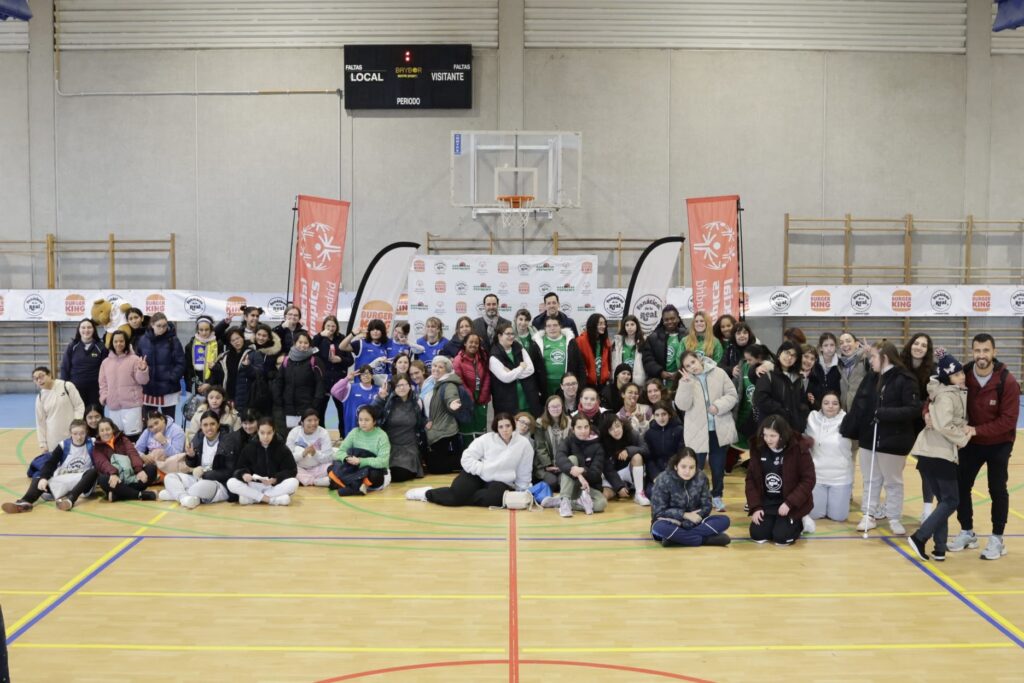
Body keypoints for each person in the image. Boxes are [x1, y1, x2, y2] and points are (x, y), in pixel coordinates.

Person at [948, 334, 1020, 560]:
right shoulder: (963, 375)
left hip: (999, 443)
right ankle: (967, 532)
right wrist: (927, 413)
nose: (981, 355)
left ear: (994, 352)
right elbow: (938, 393)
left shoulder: (1007, 381)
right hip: (971, 442)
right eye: (977, 350)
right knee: (961, 486)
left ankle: (997, 538)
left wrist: (977, 430)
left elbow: (1008, 421)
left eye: (986, 350)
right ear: (972, 352)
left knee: (997, 489)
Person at [845, 341, 922, 536]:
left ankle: (894, 517)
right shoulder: (872, 377)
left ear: (885, 357)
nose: (870, 361)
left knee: (893, 482)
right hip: (869, 438)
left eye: (873, 357)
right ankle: (868, 514)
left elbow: (913, 409)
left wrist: (885, 413)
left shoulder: (905, 379)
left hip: (893, 441)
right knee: (870, 479)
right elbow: (860, 404)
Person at [907, 355, 971, 562]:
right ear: (946, 378)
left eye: (961, 372)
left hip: (930, 453)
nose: (961, 377)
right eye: (956, 375)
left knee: (944, 501)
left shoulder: (946, 392)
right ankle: (919, 537)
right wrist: (964, 437)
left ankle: (940, 548)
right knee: (952, 500)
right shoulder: (946, 396)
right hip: (938, 454)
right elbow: (944, 425)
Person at [407, 413, 534, 506]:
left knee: (493, 499)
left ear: (513, 426)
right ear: (496, 428)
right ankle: (426, 493)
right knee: (455, 496)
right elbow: (466, 458)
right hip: (476, 474)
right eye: (501, 427)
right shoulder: (487, 439)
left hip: (501, 481)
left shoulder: (524, 444)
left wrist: (522, 490)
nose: (505, 430)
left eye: (507, 426)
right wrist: (482, 469)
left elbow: (524, 469)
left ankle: (463, 498)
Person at [675, 351, 738, 512]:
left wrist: (718, 406)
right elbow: (682, 405)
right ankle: (694, 498)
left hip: (719, 429)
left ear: (699, 359)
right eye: (687, 366)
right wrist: (686, 385)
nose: (692, 367)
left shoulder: (719, 373)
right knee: (695, 467)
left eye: (693, 362)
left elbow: (732, 395)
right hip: (696, 430)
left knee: (718, 467)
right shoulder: (685, 380)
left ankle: (717, 496)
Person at [746, 415, 815, 546]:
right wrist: (756, 507)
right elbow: (751, 480)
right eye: (765, 435)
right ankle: (774, 521)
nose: (768, 439)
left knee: (781, 538)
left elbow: (809, 480)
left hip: (790, 504)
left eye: (773, 436)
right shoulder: (758, 448)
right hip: (767, 503)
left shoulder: (798, 448)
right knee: (757, 535)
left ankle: (801, 520)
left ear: (782, 435)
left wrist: (790, 503)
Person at [3, 419, 98, 513]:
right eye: (75, 433)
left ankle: (70, 500)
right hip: (64, 478)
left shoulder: (92, 443)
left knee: (93, 472)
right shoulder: (63, 445)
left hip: (82, 480)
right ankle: (25, 502)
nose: (79, 437)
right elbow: (51, 463)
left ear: (86, 432)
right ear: (70, 433)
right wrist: (44, 478)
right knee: (39, 478)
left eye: (82, 433)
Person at [649, 449, 731, 547]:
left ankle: (675, 540)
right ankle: (705, 540)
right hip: (670, 522)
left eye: (691, 467)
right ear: (676, 466)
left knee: (724, 520)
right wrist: (684, 515)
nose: (687, 471)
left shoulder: (701, 477)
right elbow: (658, 511)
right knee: (659, 527)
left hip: (695, 522)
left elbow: (707, 505)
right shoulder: (663, 479)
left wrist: (690, 521)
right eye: (683, 467)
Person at [160, 410, 236, 509]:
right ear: (201, 426)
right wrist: (191, 456)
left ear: (218, 425)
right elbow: (192, 464)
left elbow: (229, 471)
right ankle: (185, 498)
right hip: (198, 478)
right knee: (169, 477)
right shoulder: (199, 437)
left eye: (212, 424)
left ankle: (175, 494)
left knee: (199, 487)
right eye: (205, 425)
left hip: (218, 483)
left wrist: (205, 473)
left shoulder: (228, 440)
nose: (209, 428)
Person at [804, 390, 853, 528]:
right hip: (817, 476)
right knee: (814, 514)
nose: (830, 406)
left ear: (840, 406)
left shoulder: (847, 420)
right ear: (821, 405)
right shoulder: (812, 418)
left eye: (835, 403)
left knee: (838, 517)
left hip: (840, 478)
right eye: (826, 403)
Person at [900, 333, 936, 520]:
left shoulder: (933, 370)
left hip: (922, 424)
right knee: (893, 467)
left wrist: (924, 411)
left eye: (923, 345)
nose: (919, 347)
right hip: (900, 422)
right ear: (910, 344)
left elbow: (936, 397)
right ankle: (889, 505)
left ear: (927, 350)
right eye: (916, 343)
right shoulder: (899, 366)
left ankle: (927, 509)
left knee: (926, 467)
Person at [227, 418, 299, 505]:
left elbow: (292, 470)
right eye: (262, 433)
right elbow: (238, 468)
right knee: (231, 482)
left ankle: (253, 498)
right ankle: (271, 500)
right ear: (257, 431)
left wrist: (275, 479)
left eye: (269, 433)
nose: (265, 437)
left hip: (273, 486)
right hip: (253, 485)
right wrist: (244, 474)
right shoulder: (249, 447)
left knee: (294, 482)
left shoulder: (282, 448)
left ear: (274, 432)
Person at [373, 373, 427, 482]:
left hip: (409, 447)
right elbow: (371, 415)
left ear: (410, 386)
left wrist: (427, 422)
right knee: (379, 474)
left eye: (404, 384)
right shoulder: (387, 401)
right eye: (398, 385)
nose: (402, 388)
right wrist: (380, 399)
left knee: (399, 475)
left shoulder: (417, 401)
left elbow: (422, 420)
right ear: (394, 387)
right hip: (389, 447)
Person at [98, 330, 149, 439]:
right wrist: (105, 397)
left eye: (121, 341)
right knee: (117, 437)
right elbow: (103, 383)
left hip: (132, 406)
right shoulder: (105, 362)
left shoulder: (135, 359)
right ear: (112, 343)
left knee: (133, 437)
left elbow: (143, 381)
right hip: (113, 407)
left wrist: (142, 369)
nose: (118, 344)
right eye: (116, 341)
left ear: (126, 342)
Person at [92, 418, 158, 502]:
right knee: (102, 479)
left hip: (132, 475)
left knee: (151, 469)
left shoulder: (123, 439)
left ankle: (118, 495)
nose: (105, 433)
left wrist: (139, 470)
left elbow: (132, 453)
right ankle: (140, 494)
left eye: (108, 429)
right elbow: (103, 463)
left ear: (113, 429)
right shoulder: (97, 448)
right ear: (98, 433)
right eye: (102, 430)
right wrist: (113, 473)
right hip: (116, 479)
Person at [330, 405, 391, 495]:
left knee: (375, 475)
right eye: (360, 420)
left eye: (367, 420)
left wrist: (360, 461)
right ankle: (357, 487)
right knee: (332, 467)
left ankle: (352, 486)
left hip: (373, 470)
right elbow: (340, 452)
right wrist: (347, 458)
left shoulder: (382, 436)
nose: (363, 423)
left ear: (374, 421)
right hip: (355, 467)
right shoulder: (354, 432)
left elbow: (383, 461)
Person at [555, 413, 608, 517]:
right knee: (572, 459)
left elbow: (596, 473)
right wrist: (578, 474)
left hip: (588, 487)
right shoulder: (568, 441)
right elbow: (559, 458)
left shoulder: (598, 446)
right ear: (573, 429)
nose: (583, 431)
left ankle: (567, 502)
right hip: (570, 484)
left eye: (586, 427)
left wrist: (583, 471)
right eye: (579, 427)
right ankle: (564, 500)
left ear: (590, 427)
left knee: (601, 504)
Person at [135, 313, 185, 421]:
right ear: (152, 325)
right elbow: (137, 361)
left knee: (169, 421)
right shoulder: (142, 340)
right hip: (148, 387)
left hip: (169, 388)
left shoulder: (173, 340)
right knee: (149, 421)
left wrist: (172, 378)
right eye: (159, 326)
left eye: (164, 326)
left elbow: (181, 362)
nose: (162, 329)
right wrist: (142, 371)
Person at [421, 355, 466, 474]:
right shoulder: (429, 382)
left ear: (447, 370)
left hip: (444, 429)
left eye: (440, 367)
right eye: (434, 365)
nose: (436, 369)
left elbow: (451, 396)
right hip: (432, 427)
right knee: (431, 465)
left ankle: (464, 464)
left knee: (436, 469)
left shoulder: (448, 384)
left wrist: (452, 403)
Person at [754, 341, 810, 434]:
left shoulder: (798, 378)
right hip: (771, 428)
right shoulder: (768, 373)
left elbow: (802, 402)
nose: (789, 357)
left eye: (794, 355)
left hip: (792, 429)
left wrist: (801, 418)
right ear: (780, 353)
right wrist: (783, 411)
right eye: (787, 352)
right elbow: (760, 399)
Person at [273, 331, 326, 430]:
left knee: (308, 433)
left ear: (309, 344)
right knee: (291, 434)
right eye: (300, 342)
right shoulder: (287, 360)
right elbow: (279, 381)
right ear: (294, 343)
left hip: (308, 407)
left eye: (306, 343)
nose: (303, 345)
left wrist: (315, 404)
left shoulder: (315, 361)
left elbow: (320, 384)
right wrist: (279, 400)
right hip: (289, 407)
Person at [489, 323, 542, 417]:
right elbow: (506, 378)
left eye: (512, 334)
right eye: (508, 334)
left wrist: (511, 372)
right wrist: (521, 367)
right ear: (500, 336)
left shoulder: (519, 347)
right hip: (507, 402)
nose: (511, 336)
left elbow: (531, 369)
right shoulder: (493, 356)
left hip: (527, 398)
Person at [598, 413, 650, 505]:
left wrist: (629, 450)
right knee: (605, 495)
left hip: (630, 470)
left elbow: (646, 449)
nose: (616, 431)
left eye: (617, 426)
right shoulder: (604, 443)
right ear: (607, 432)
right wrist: (619, 486)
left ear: (622, 424)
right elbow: (607, 469)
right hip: (615, 473)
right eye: (611, 429)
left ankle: (639, 494)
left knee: (637, 457)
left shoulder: (632, 433)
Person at [33, 366, 85, 456]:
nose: (39, 380)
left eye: (41, 376)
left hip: (72, 435)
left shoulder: (66, 386)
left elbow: (79, 406)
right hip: (53, 439)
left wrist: (76, 425)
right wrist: (42, 443)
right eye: (36, 379)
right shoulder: (40, 397)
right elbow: (40, 422)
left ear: (49, 375)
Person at [312, 315, 352, 427]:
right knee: (320, 411)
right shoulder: (318, 338)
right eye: (328, 326)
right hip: (323, 381)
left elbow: (350, 360)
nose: (330, 328)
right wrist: (320, 336)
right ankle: (321, 433)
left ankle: (343, 434)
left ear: (337, 327)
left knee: (342, 411)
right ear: (324, 326)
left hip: (339, 381)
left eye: (333, 326)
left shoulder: (342, 338)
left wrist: (340, 359)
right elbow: (310, 351)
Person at [60, 318, 107, 407]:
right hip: (75, 388)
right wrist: (63, 387)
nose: (86, 330)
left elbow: (106, 370)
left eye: (89, 327)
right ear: (79, 330)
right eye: (83, 327)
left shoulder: (101, 347)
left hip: (95, 389)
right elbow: (65, 367)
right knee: (79, 414)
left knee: (95, 414)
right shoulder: (72, 346)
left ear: (94, 329)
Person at [452, 333, 490, 441]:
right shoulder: (458, 360)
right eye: (471, 342)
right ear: (465, 343)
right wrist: (470, 398)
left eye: (476, 343)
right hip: (466, 399)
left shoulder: (483, 356)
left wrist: (483, 394)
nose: (473, 345)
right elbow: (460, 381)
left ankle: (482, 451)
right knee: (467, 431)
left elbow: (487, 376)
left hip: (481, 398)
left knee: (481, 430)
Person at [533, 316, 579, 400]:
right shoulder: (538, 342)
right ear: (545, 328)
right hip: (546, 385)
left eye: (555, 325)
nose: (552, 328)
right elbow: (534, 366)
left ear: (560, 327)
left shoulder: (570, 341)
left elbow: (580, 364)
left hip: (567, 384)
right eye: (549, 326)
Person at [286, 408, 334, 487]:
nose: (313, 423)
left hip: (318, 467)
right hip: (299, 468)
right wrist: (303, 454)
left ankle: (307, 481)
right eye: (309, 420)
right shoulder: (294, 432)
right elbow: (288, 457)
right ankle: (316, 481)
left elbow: (328, 457)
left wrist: (315, 453)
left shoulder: (323, 433)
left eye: (316, 420)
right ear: (302, 422)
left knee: (332, 465)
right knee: (288, 467)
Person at [642, 305, 686, 389]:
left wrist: (680, 372)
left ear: (678, 318)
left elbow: (691, 357)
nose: (670, 322)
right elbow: (647, 359)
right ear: (662, 321)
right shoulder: (653, 338)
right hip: (660, 383)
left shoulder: (687, 336)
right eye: (666, 319)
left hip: (683, 379)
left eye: (672, 318)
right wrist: (660, 372)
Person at [331, 365, 380, 438]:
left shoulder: (379, 390)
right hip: (352, 431)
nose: (366, 375)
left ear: (372, 375)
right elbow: (334, 391)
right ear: (360, 376)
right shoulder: (350, 388)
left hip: (371, 433)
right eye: (363, 374)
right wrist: (347, 379)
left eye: (368, 373)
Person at [644, 400, 684, 488]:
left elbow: (681, 454)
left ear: (669, 415)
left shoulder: (679, 430)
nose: (661, 418)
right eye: (657, 415)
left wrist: (672, 473)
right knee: (652, 492)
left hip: (675, 470)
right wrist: (655, 475)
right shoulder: (649, 434)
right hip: (656, 473)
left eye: (664, 414)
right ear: (653, 416)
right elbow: (649, 458)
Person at [533, 395, 569, 490]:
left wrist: (563, 465)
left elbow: (570, 447)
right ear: (547, 408)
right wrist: (548, 465)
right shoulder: (540, 423)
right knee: (552, 482)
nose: (555, 409)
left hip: (563, 464)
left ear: (562, 407)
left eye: (558, 406)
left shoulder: (569, 422)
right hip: (544, 465)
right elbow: (540, 447)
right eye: (552, 407)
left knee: (562, 482)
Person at [574, 313, 611, 391]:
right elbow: (577, 362)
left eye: (604, 324)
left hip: (602, 383)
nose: (603, 326)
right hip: (586, 383)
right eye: (600, 324)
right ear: (593, 324)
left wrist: (607, 373)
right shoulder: (580, 341)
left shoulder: (605, 341)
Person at [184, 315, 219, 397]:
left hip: (213, 386)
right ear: (197, 330)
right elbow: (188, 369)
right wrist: (196, 385)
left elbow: (220, 368)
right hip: (196, 386)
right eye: (201, 330)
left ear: (211, 329)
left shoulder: (217, 344)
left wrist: (209, 383)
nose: (204, 333)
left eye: (207, 330)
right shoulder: (190, 346)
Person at [837, 332, 869, 413]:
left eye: (848, 341)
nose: (845, 344)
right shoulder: (839, 364)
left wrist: (870, 355)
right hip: (845, 411)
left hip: (862, 410)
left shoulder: (865, 360)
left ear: (857, 344)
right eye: (841, 343)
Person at [611, 314, 646, 387]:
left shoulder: (644, 341)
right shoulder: (618, 342)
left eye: (632, 324)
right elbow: (614, 362)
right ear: (624, 327)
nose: (629, 327)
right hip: (622, 380)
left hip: (638, 381)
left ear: (637, 326)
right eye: (627, 325)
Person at [799, 344, 826, 411]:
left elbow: (821, 405)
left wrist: (813, 401)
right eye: (806, 357)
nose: (809, 361)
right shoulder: (791, 375)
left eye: (812, 359)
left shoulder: (817, 379)